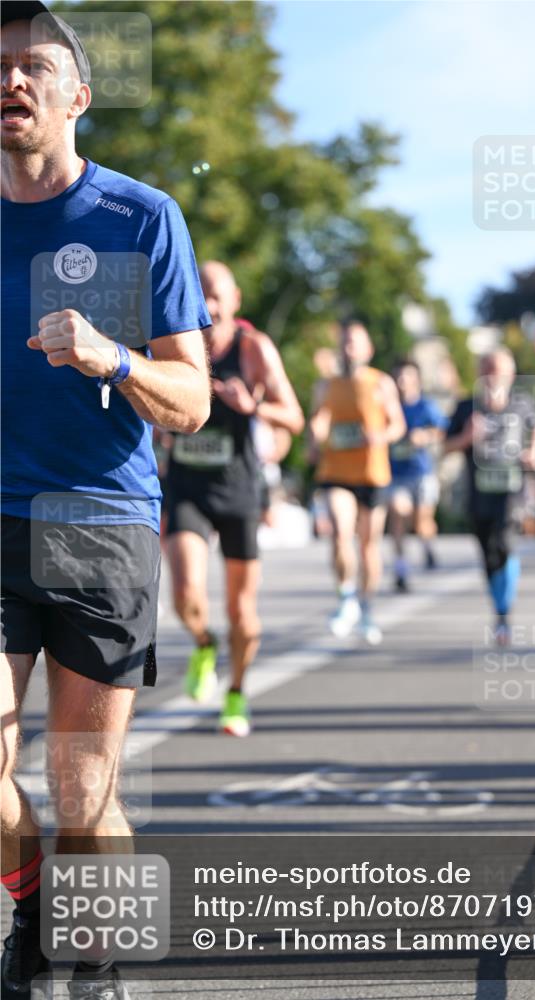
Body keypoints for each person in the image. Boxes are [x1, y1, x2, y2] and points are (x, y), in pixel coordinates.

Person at [1, 4, 211, 998]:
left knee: (82, 790)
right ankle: (37, 902)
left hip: (99, 523)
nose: (10, 82)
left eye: (33, 65)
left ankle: (96, 955)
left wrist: (112, 355)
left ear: (78, 94)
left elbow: (192, 402)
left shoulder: (140, 217)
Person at [164, 261, 304, 736]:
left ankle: (237, 693)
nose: (208, 301)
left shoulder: (253, 348)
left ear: (235, 300)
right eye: (199, 291)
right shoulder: (173, 341)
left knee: (242, 612)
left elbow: (295, 417)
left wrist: (254, 406)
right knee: (184, 593)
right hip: (187, 487)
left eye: (217, 292)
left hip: (239, 490)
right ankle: (204, 643)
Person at [310, 320, 406, 644]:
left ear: (368, 349)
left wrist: (380, 435)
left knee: (368, 546)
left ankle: (367, 607)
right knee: (340, 530)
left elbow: (398, 425)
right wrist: (316, 436)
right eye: (345, 342)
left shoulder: (381, 383)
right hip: (336, 471)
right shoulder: (326, 385)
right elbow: (319, 419)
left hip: (372, 473)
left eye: (355, 342)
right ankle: (346, 597)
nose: (349, 348)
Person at [444, 348, 535, 645]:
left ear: (511, 375)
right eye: (487, 369)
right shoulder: (466, 407)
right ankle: (501, 611)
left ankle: (504, 614)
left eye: (498, 370)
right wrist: (465, 437)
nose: (493, 376)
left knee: (504, 541)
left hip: (511, 489)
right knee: (488, 551)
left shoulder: (522, 404)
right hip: (477, 492)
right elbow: (445, 447)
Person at [387, 359, 448, 591]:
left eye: (407, 377)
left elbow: (444, 430)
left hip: (422, 472)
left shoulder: (426, 406)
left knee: (422, 522)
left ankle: (427, 545)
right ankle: (401, 568)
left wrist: (425, 436)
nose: (402, 382)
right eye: (398, 377)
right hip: (396, 474)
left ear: (417, 380)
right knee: (398, 513)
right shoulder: (388, 406)